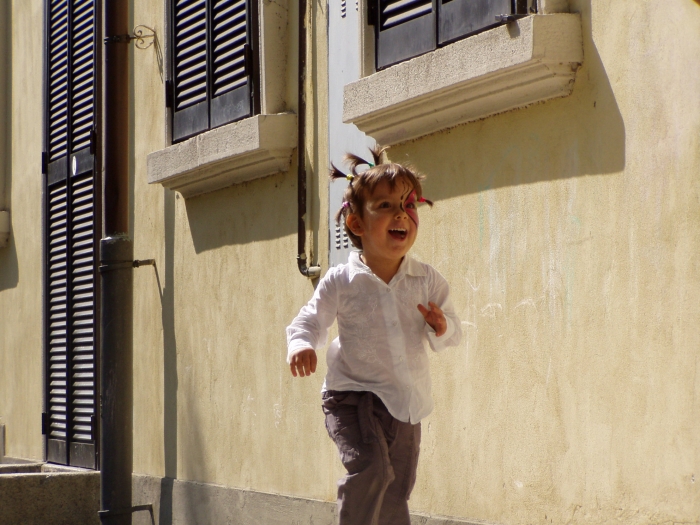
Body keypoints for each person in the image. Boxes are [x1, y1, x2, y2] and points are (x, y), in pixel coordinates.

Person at [286, 146, 462, 525]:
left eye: (409, 205)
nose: (401, 214)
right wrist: (302, 344)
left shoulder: (425, 279)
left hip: (405, 402)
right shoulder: (342, 280)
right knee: (374, 471)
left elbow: (453, 328)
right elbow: (309, 320)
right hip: (353, 396)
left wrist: (442, 325)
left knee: (396, 489)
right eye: (385, 206)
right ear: (356, 225)